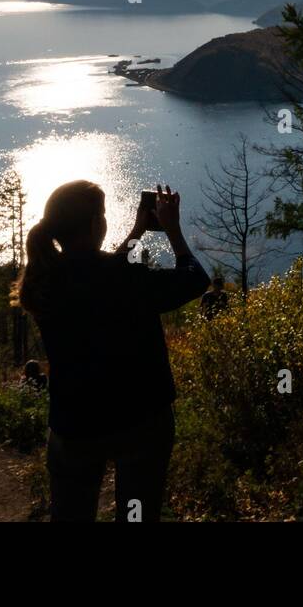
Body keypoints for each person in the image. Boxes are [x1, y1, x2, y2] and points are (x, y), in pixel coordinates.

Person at [17, 181, 208, 522]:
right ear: (95, 224)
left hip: (74, 423)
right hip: (140, 419)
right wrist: (173, 232)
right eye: (103, 215)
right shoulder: (126, 277)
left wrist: (136, 231)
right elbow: (194, 279)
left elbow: (98, 273)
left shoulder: (44, 280)